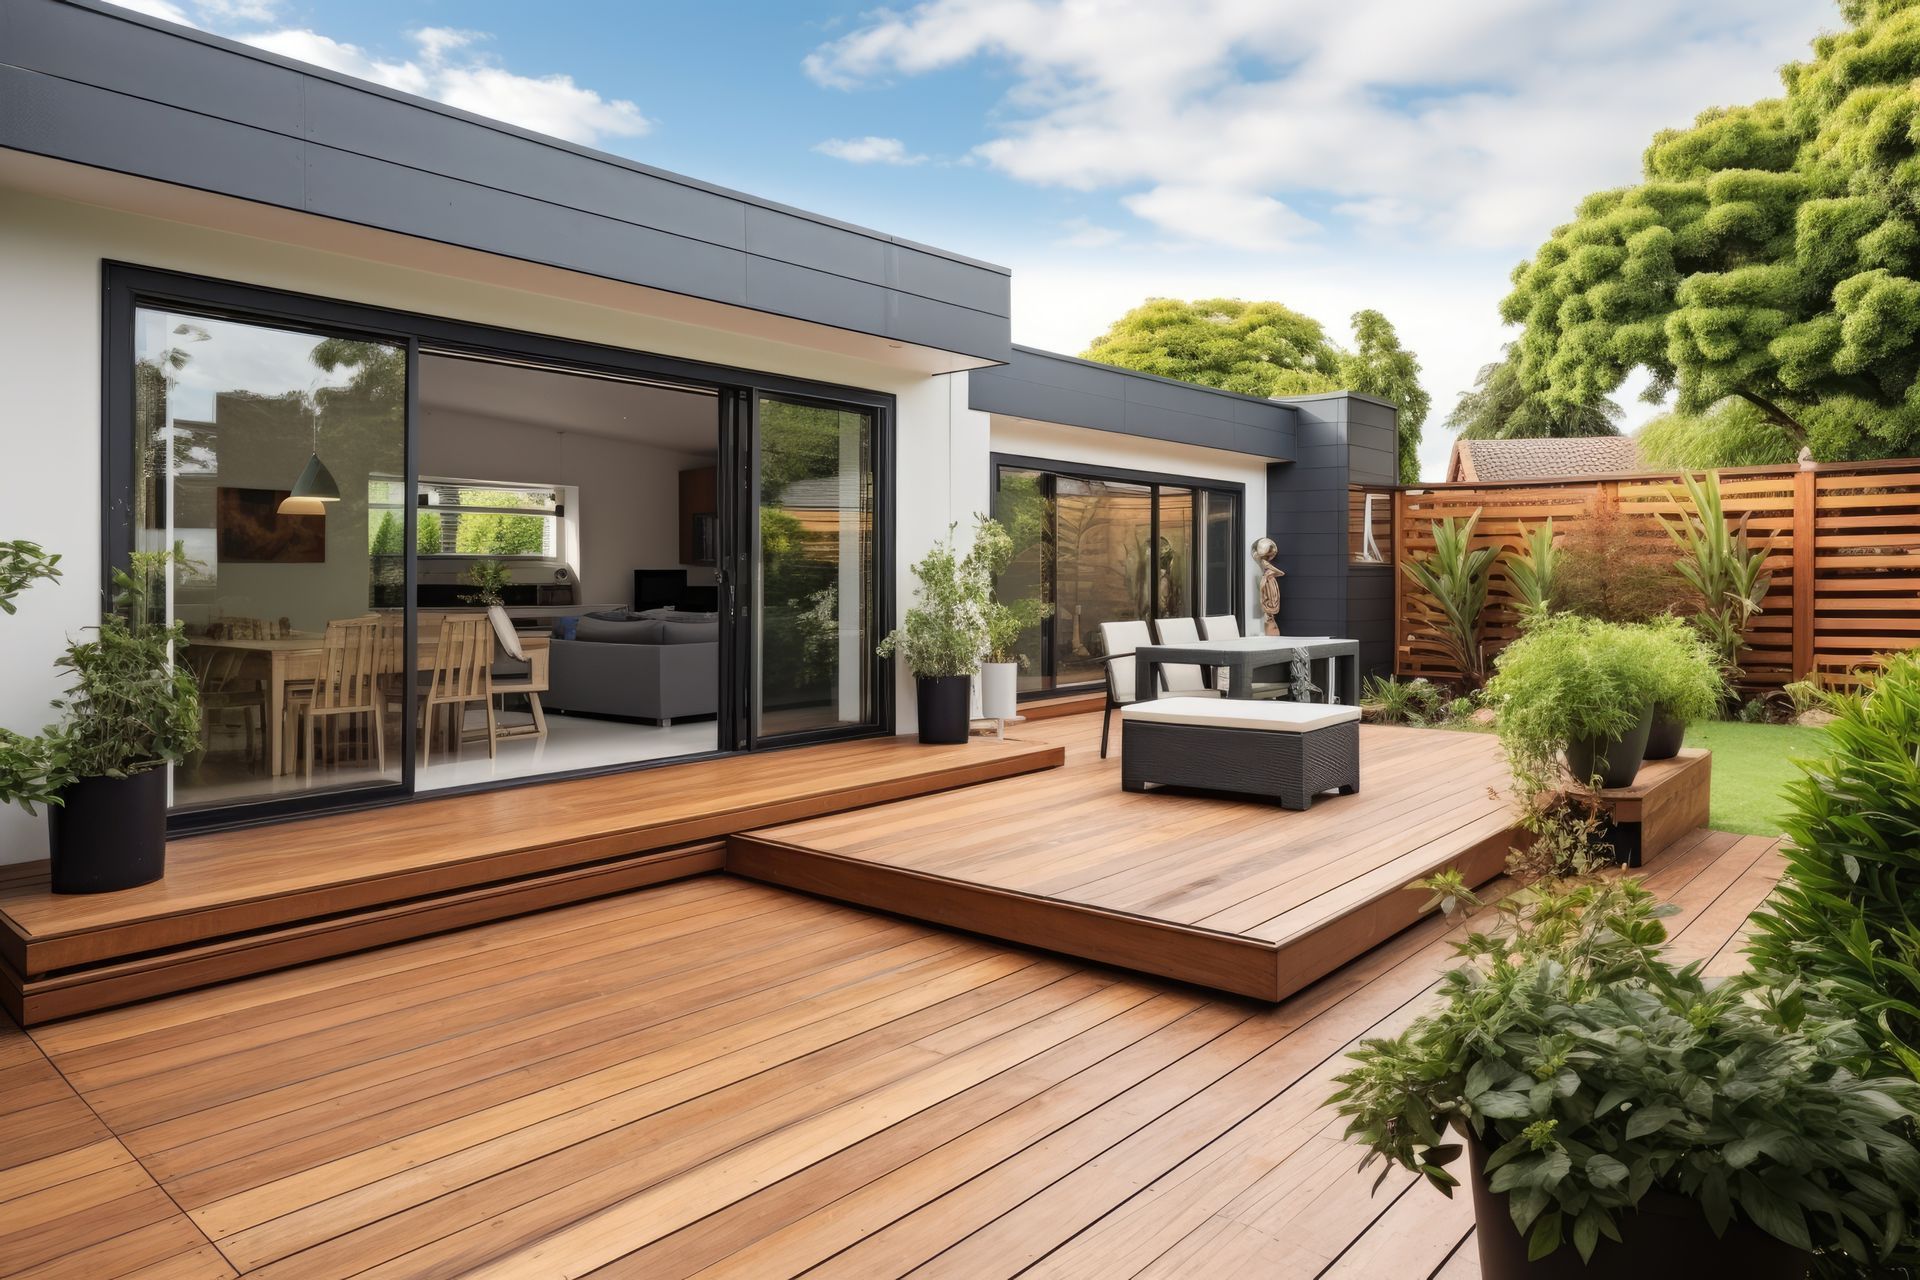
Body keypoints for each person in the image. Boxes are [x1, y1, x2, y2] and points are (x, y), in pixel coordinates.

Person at [1252, 537, 1284, 636]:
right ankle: (1269, 621)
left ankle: (1269, 621)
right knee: (1270, 597)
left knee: (1269, 598)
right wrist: (1274, 573)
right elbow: (1281, 573)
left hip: (1267, 581)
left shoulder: (1262, 564)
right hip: (1268, 582)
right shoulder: (1265, 563)